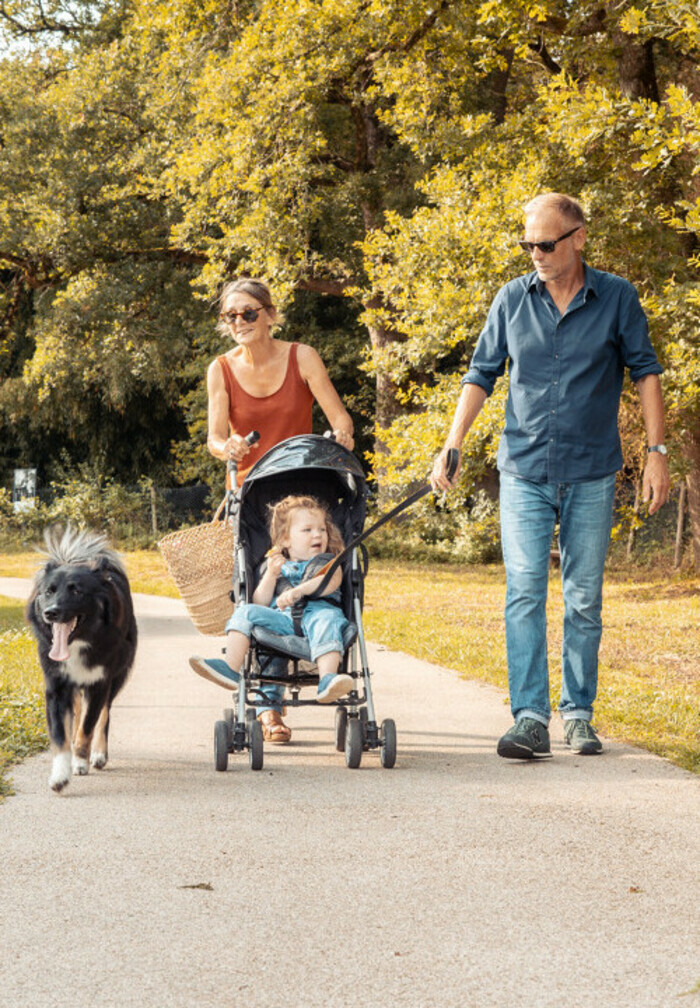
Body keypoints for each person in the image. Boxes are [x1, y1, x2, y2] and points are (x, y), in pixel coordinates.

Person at [432, 192, 670, 759]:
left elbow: (646, 371)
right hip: (524, 468)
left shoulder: (616, 297)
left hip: (592, 470)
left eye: (545, 243)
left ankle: (579, 714)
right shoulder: (512, 299)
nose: (535, 253)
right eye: (527, 244)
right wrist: (453, 442)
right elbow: (482, 373)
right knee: (524, 593)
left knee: (584, 597)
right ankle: (530, 717)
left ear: (578, 237)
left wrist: (657, 451)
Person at [191, 278, 354, 742]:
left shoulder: (301, 356)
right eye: (230, 315)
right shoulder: (219, 370)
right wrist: (230, 447)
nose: (238, 322)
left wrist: (342, 433)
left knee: (308, 579)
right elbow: (214, 438)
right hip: (254, 495)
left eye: (248, 313)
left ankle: (317, 672)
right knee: (263, 581)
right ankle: (268, 709)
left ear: (270, 314)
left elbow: (338, 415)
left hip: (305, 490)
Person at [190, 495, 354, 740]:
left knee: (327, 621)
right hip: (284, 622)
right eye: (307, 530)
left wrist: (300, 590)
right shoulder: (275, 566)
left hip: (319, 616)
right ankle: (230, 668)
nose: (317, 535)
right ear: (285, 539)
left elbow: (330, 581)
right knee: (246, 611)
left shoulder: (328, 562)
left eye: (322, 529)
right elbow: (260, 602)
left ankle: (327, 679)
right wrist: (271, 577)